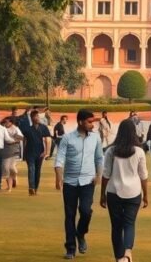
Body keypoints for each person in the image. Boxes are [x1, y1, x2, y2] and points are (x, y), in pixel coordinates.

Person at [55, 109, 105, 260]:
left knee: (86, 211)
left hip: (88, 181)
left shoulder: (95, 138)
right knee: (69, 215)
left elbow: (99, 158)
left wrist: (99, 176)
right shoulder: (67, 138)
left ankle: (81, 233)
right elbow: (59, 159)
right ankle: (70, 248)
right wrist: (59, 177)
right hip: (70, 182)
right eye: (89, 122)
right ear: (80, 122)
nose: (92, 125)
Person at [100, 118, 149, 262]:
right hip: (133, 193)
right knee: (129, 224)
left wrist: (102, 195)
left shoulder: (111, 151)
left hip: (113, 192)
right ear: (133, 133)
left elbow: (106, 175)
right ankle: (127, 253)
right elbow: (143, 176)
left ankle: (119, 257)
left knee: (116, 226)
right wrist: (146, 195)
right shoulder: (139, 152)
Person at [21, 109, 52, 195]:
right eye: (35, 116)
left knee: (37, 171)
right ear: (31, 118)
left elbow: (48, 140)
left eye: (38, 116)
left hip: (40, 152)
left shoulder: (43, 128)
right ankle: (31, 187)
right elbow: (24, 140)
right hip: (29, 152)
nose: (37, 118)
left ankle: (35, 188)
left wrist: (46, 152)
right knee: (31, 169)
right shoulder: (27, 129)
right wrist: (23, 153)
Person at [1, 116, 24, 191]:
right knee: (5, 167)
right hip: (4, 149)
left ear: (11, 122)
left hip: (14, 149)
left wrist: (14, 139)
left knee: (11, 168)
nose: (6, 123)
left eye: (7, 122)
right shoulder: (2, 128)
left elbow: (21, 137)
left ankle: (14, 176)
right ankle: (9, 187)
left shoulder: (15, 129)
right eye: (5, 122)